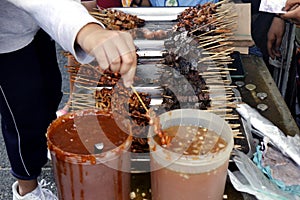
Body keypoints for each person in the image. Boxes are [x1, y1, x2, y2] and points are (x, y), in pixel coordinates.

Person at [0, 0, 137, 199]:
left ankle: (46, 146)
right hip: (6, 41)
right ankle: (27, 189)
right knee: (22, 117)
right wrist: (87, 32)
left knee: (50, 91)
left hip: (38, 24)